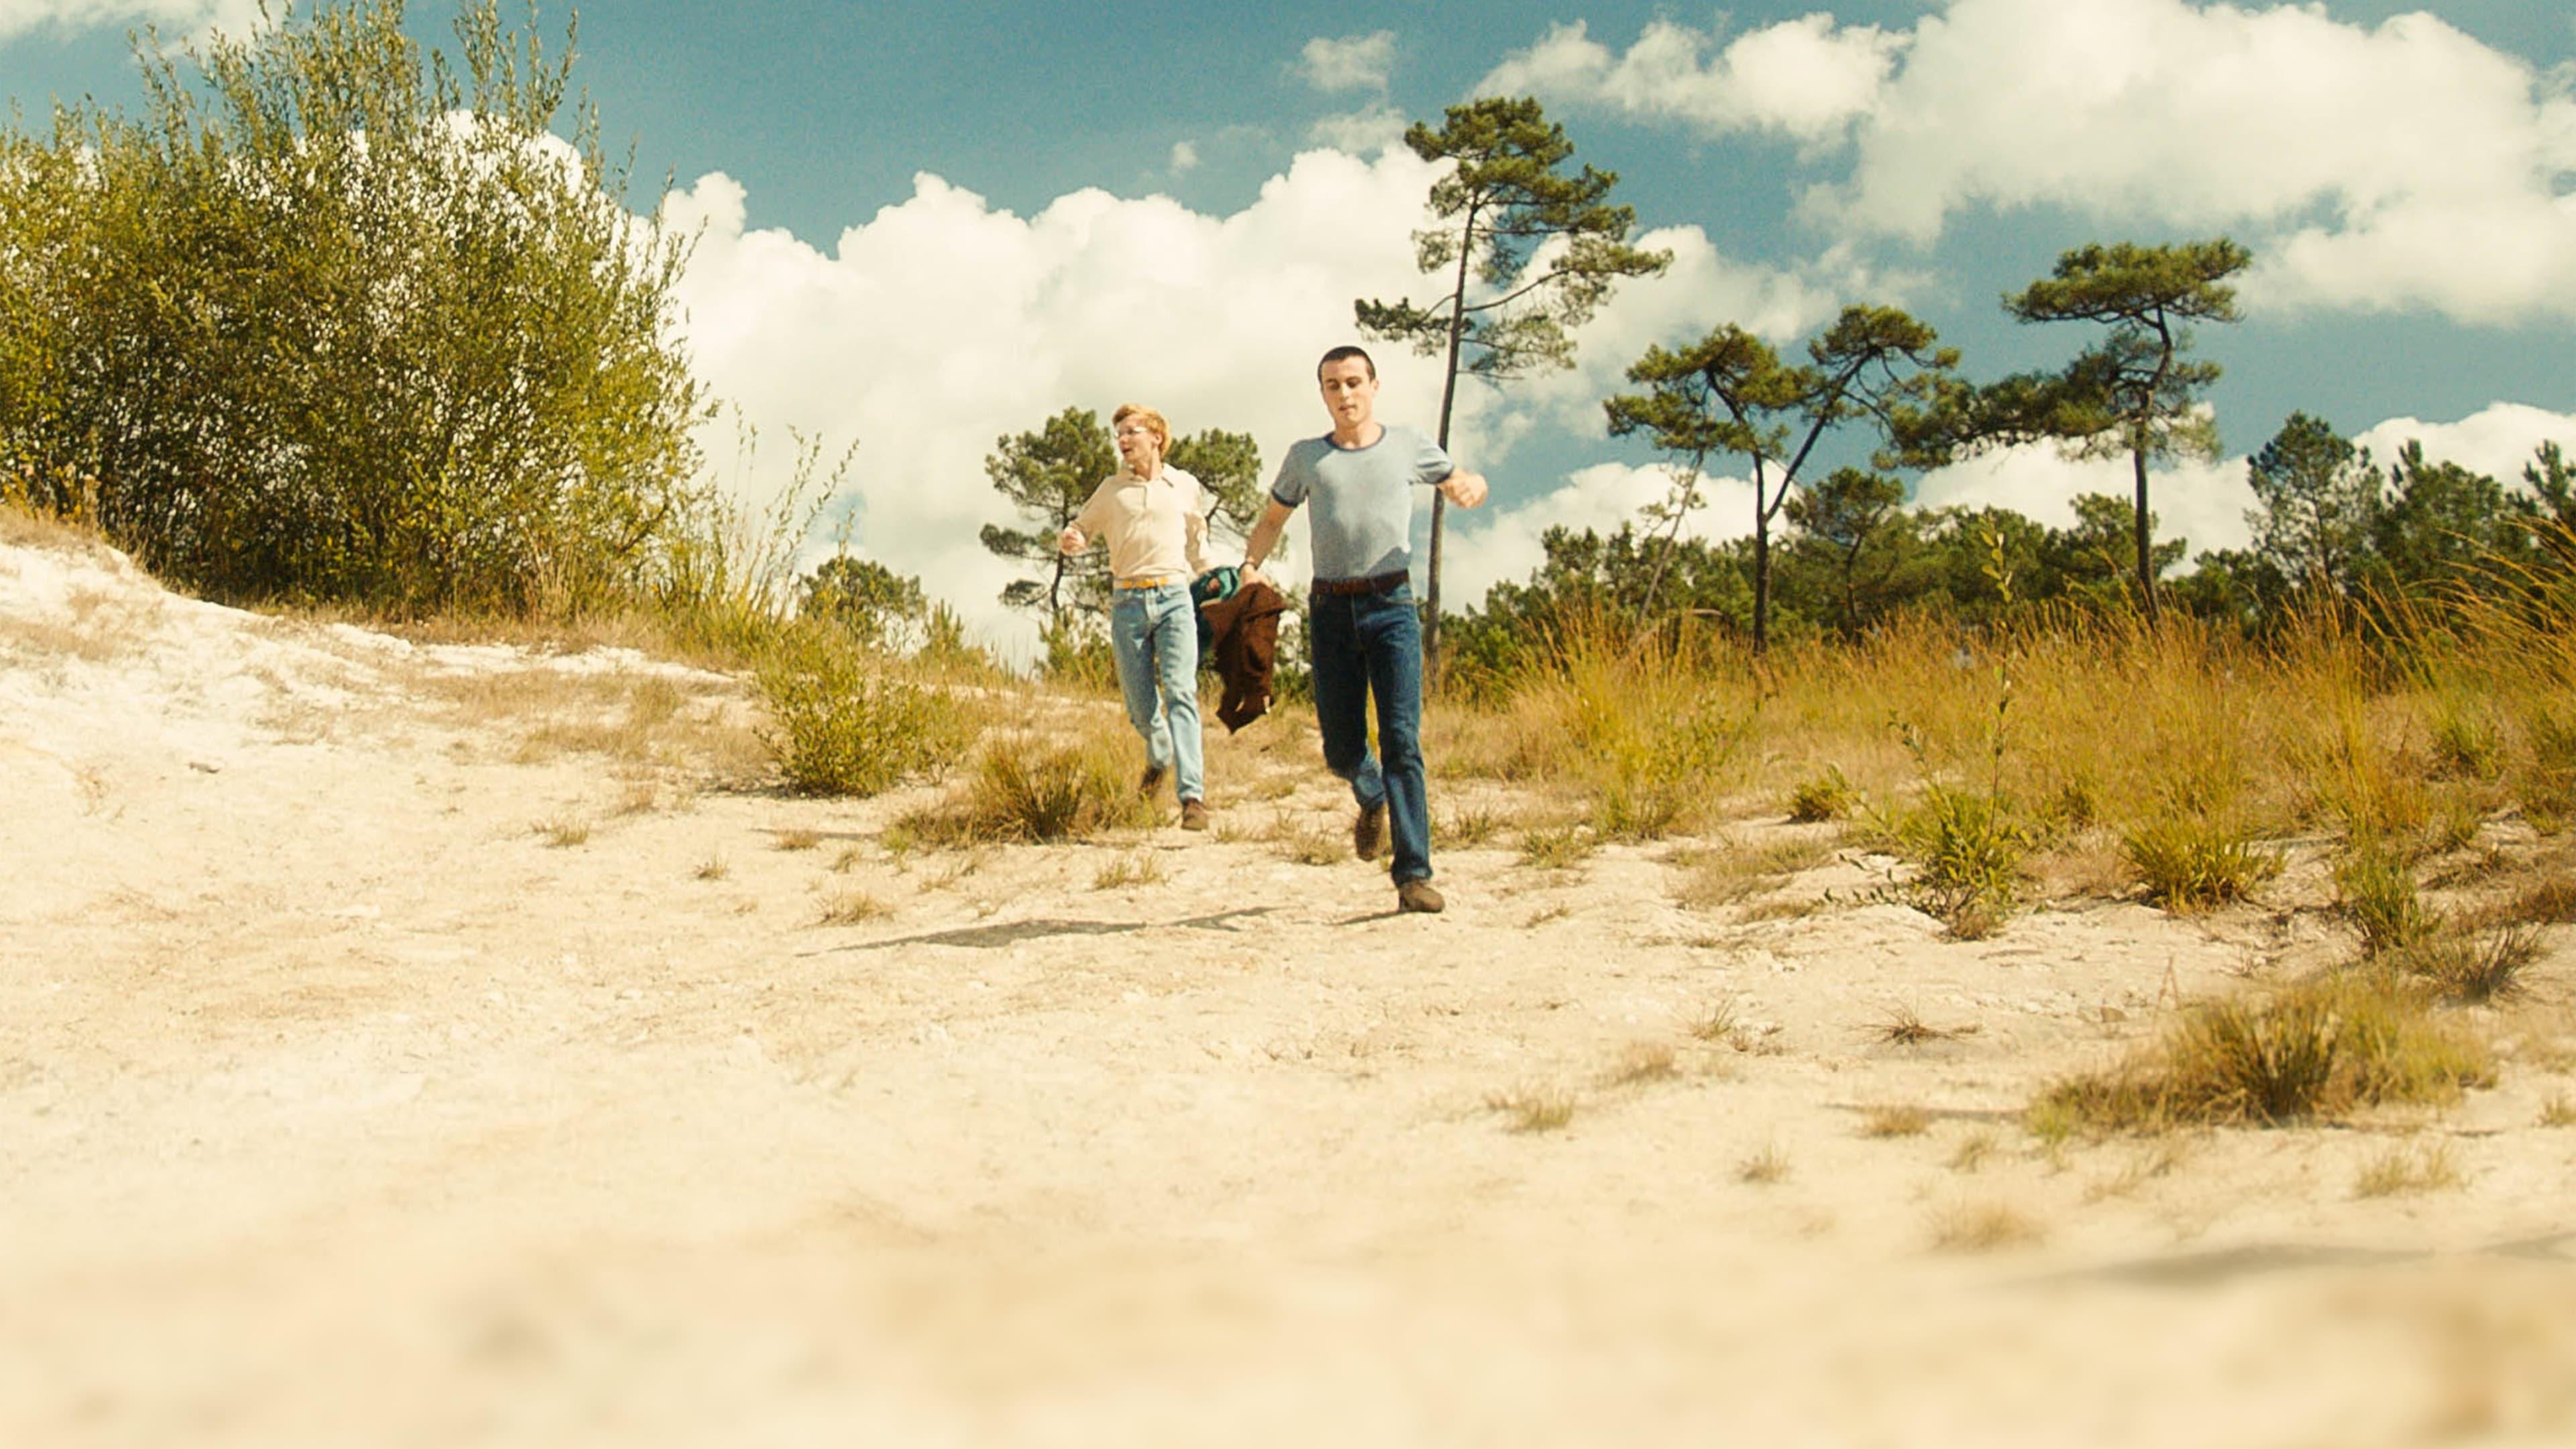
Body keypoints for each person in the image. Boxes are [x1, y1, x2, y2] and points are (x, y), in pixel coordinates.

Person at [1240, 345, 1487, 913]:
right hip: (1330, 612)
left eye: (1354, 382)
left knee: (1403, 739)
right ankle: (1369, 792)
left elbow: (1459, 480)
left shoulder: (1408, 445)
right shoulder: (1306, 458)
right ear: (1323, 394)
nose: (1345, 394)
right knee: (1342, 748)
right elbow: (1273, 519)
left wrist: (1471, 486)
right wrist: (1251, 566)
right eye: (1333, 385)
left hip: (1392, 606)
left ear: (1374, 385)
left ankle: (1414, 876)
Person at [1059, 404, 1212, 831]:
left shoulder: (1183, 486)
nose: (1123, 441)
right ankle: (1159, 754)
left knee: (1182, 692)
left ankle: (1192, 798)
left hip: (1174, 597)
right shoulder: (1111, 490)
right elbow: (1081, 529)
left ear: (1157, 437)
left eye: (1131, 432)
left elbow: (1198, 544)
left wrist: (1213, 582)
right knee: (1140, 708)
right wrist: (1072, 538)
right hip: (1127, 602)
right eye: (1119, 435)